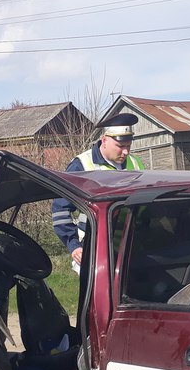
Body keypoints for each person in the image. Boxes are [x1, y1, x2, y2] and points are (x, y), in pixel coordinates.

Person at [51, 112, 143, 268]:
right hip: (92, 246)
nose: (126, 152)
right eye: (121, 146)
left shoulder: (135, 163)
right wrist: (73, 245)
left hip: (128, 244)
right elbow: (60, 209)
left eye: (128, 146)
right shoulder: (81, 166)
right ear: (105, 140)